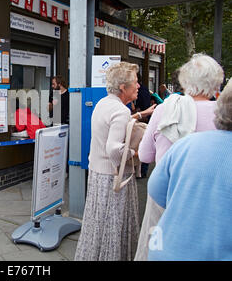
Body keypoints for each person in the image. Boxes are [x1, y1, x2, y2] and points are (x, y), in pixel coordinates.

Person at [135, 53, 224, 260]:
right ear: (216, 83)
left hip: (164, 193)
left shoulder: (165, 110)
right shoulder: (223, 114)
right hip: (207, 198)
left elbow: (145, 155)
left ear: (184, 81)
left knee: (156, 247)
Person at [74, 62, 154, 261]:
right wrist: (136, 153)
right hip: (114, 179)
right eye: (135, 83)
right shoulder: (121, 111)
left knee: (98, 227)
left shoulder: (103, 103)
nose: (138, 86)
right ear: (122, 88)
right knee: (114, 228)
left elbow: (113, 124)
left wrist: (141, 114)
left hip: (99, 175)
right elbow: (114, 150)